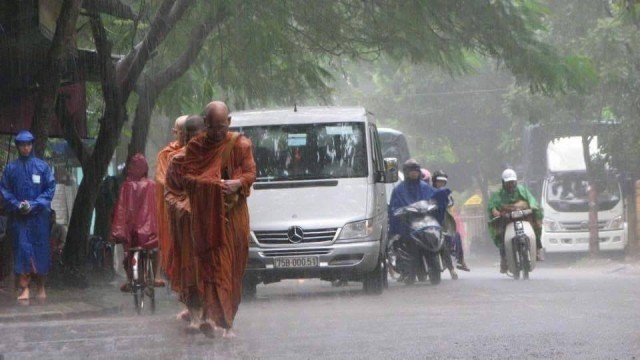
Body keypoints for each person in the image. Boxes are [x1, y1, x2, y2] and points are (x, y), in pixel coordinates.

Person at [166, 101, 256, 339]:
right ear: (205, 124)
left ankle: (227, 318)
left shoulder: (240, 145)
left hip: (234, 218)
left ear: (229, 122)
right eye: (213, 127)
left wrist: (236, 184)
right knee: (214, 268)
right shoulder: (196, 148)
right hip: (207, 219)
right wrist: (213, 186)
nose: (218, 133)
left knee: (232, 272)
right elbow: (186, 178)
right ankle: (221, 322)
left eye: (222, 127)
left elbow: (249, 173)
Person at [164, 114, 208, 333]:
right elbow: (169, 192)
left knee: (212, 270)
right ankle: (195, 315)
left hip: (212, 226)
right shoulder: (177, 160)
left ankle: (211, 315)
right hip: (187, 226)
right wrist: (185, 205)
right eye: (190, 138)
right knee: (190, 271)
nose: (194, 143)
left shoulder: (218, 158)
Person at [0, 130, 56, 301]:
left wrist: (35, 204)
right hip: (19, 219)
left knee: (41, 251)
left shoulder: (42, 167)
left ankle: (40, 285)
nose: (26, 148)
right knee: (22, 251)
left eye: (28, 144)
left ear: (32, 145)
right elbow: (4, 191)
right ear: (18, 147)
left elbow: (50, 189)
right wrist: (18, 205)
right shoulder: (11, 169)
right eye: (22, 145)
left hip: (39, 218)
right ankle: (24, 288)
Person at [389, 159, 449, 284]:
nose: (414, 174)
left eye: (416, 171)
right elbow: (394, 207)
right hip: (408, 225)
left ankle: (445, 262)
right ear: (406, 173)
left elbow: (434, 197)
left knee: (441, 236)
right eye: (411, 171)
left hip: (425, 222)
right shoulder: (399, 190)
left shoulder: (425, 187)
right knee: (406, 243)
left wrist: (440, 200)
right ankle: (407, 271)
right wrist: (401, 211)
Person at [110, 153, 160, 292]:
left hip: (132, 231)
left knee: (128, 256)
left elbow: (120, 209)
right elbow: (156, 208)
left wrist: (118, 229)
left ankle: (130, 280)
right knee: (155, 250)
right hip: (150, 231)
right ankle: (155, 277)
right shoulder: (151, 185)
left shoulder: (127, 186)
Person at [487, 168, 544, 274]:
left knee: (536, 226)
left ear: (516, 181)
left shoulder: (522, 190)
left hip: (524, 216)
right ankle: (504, 259)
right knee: (501, 234)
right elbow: (492, 205)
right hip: (507, 218)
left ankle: (536, 249)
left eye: (512, 182)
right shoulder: (499, 194)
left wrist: (533, 207)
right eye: (508, 183)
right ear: (503, 183)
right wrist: (494, 210)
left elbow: (531, 200)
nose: (510, 185)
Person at [155, 115, 187, 289]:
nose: (186, 137)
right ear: (175, 133)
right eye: (182, 133)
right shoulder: (167, 155)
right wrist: (179, 190)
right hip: (173, 208)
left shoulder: (202, 152)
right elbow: (161, 180)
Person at [431, 170, 470, 272]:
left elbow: (450, 204)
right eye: (439, 181)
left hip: (444, 224)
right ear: (434, 181)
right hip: (431, 223)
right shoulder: (429, 192)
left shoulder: (447, 195)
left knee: (456, 236)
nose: (441, 184)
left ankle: (460, 261)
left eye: (443, 182)